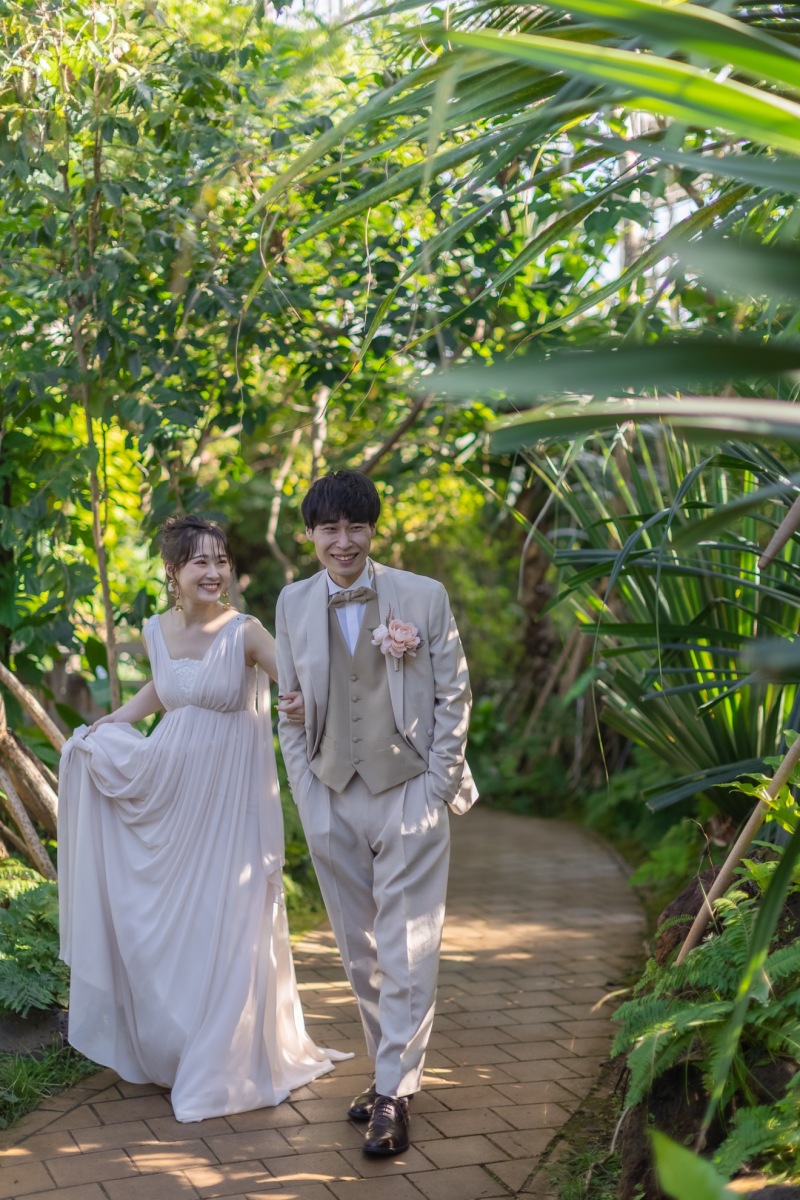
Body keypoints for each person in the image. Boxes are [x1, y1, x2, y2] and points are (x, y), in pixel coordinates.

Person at [58, 515, 347, 1123]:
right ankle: (178, 1045)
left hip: (229, 799)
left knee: (228, 916)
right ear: (173, 572)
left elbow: (295, 681)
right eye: (201, 562)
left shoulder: (245, 631)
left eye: (221, 560)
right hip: (170, 789)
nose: (215, 573)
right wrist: (112, 724)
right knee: (170, 922)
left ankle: (224, 1059)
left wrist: (295, 701)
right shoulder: (155, 630)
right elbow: (163, 693)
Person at [276, 470, 477, 1157]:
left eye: (355, 526)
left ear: (372, 530)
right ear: (310, 535)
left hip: (407, 791)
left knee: (409, 946)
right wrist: (308, 795)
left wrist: (434, 788)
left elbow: (455, 696)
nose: (343, 541)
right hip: (332, 795)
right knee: (359, 952)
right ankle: (388, 1067)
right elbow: (290, 709)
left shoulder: (422, 597)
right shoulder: (292, 602)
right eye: (328, 528)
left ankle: (395, 1092)